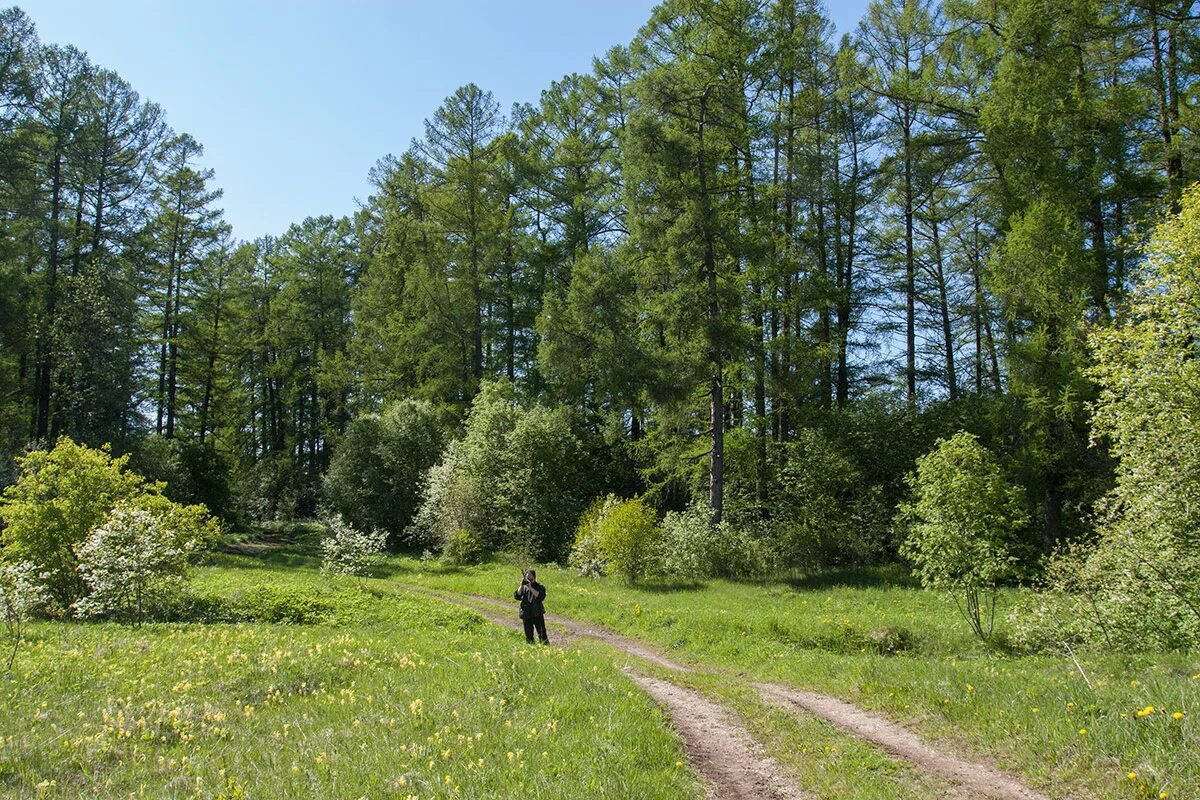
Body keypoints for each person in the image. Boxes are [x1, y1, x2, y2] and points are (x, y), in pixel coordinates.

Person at [514, 569, 549, 644]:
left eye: (531, 578)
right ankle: (531, 648)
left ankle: (546, 648)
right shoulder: (523, 587)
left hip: (537, 613)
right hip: (526, 613)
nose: (529, 580)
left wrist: (530, 587)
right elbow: (517, 596)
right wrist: (521, 585)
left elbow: (540, 596)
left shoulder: (540, 586)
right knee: (528, 635)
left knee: (542, 634)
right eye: (527, 578)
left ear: (534, 577)